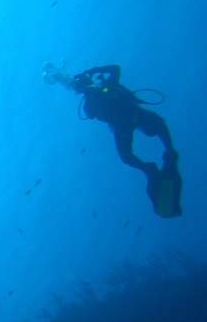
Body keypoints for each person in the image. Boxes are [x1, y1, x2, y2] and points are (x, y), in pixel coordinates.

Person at [48, 63, 182, 217]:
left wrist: (93, 76)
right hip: (130, 120)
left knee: (132, 152)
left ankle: (155, 163)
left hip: (126, 122)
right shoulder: (103, 89)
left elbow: (114, 72)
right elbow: (115, 69)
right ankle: (159, 160)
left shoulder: (95, 97)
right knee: (152, 132)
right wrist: (95, 73)